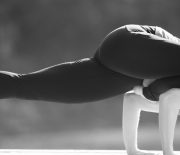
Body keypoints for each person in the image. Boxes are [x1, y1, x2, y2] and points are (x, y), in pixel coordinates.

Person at [1, 24, 180, 103]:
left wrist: (150, 89)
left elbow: (157, 89)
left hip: (117, 69)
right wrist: (150, 90)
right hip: (132, 42)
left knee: (22, 85)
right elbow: (157, 88)